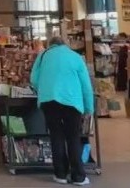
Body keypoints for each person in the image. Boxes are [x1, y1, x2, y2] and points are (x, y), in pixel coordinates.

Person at [30, 36, 95, 185]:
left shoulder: (43, 56)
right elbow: (86, 85)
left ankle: (60, 174)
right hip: (72, 102)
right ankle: (79, 176)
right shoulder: (76, 57)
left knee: (56, 136)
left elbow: (33, 79)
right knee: (73, 137)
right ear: (65, 45)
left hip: (49, 101)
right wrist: (89, 107)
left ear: (50, 45)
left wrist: (45, 86)